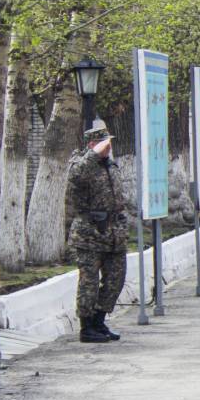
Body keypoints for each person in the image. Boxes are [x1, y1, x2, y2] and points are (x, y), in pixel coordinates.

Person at [67, 126, 128, 344]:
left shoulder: (110, 165)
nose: (108, 147)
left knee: (116, 279)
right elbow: (75, 177)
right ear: (92, 145)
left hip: (113, 232)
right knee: (89, 283)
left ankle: (99, 320)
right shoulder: (81, 163)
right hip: (89, 233)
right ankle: (87, 326)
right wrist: (93, 155)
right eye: (104, 143)